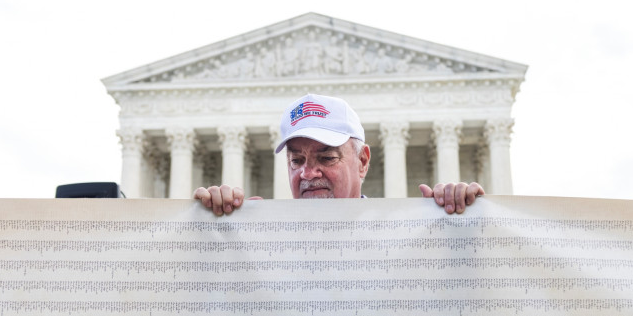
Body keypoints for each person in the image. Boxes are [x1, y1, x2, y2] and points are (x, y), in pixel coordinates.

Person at [194, 93, 485, 216]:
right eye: (297, 160)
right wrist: (217, 232)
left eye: (327, 157)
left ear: (362, 161)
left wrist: (460, 222)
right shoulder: (264, 241)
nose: (307, 173)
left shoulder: (403, 238)